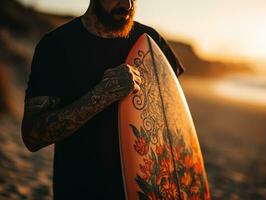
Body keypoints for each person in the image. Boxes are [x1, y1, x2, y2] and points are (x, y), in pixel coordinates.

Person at [21, 0, 184, 199]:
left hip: (142, 190)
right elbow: (32, 136)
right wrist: (101, 95)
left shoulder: (150, 43)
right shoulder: (56, 46)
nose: (128, 4)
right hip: (80, 189)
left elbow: (174, 119)